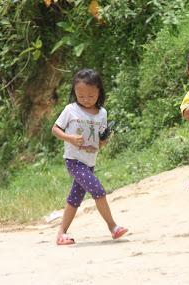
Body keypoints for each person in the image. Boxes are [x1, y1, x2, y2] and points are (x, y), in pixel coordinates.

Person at [52, 68, 128, 245]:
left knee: (75, 199)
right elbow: (55, 129)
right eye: (81, 96)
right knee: (98, 191)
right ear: (75, 93)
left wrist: (103, 141)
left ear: (99, 92)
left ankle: (61, 233)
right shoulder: (70, 110)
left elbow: (101, 137)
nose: (85, 100)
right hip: (74, 161)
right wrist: (69, 138)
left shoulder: (102, 113)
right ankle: (113, 227)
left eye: (90, 96)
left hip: (90, 161)